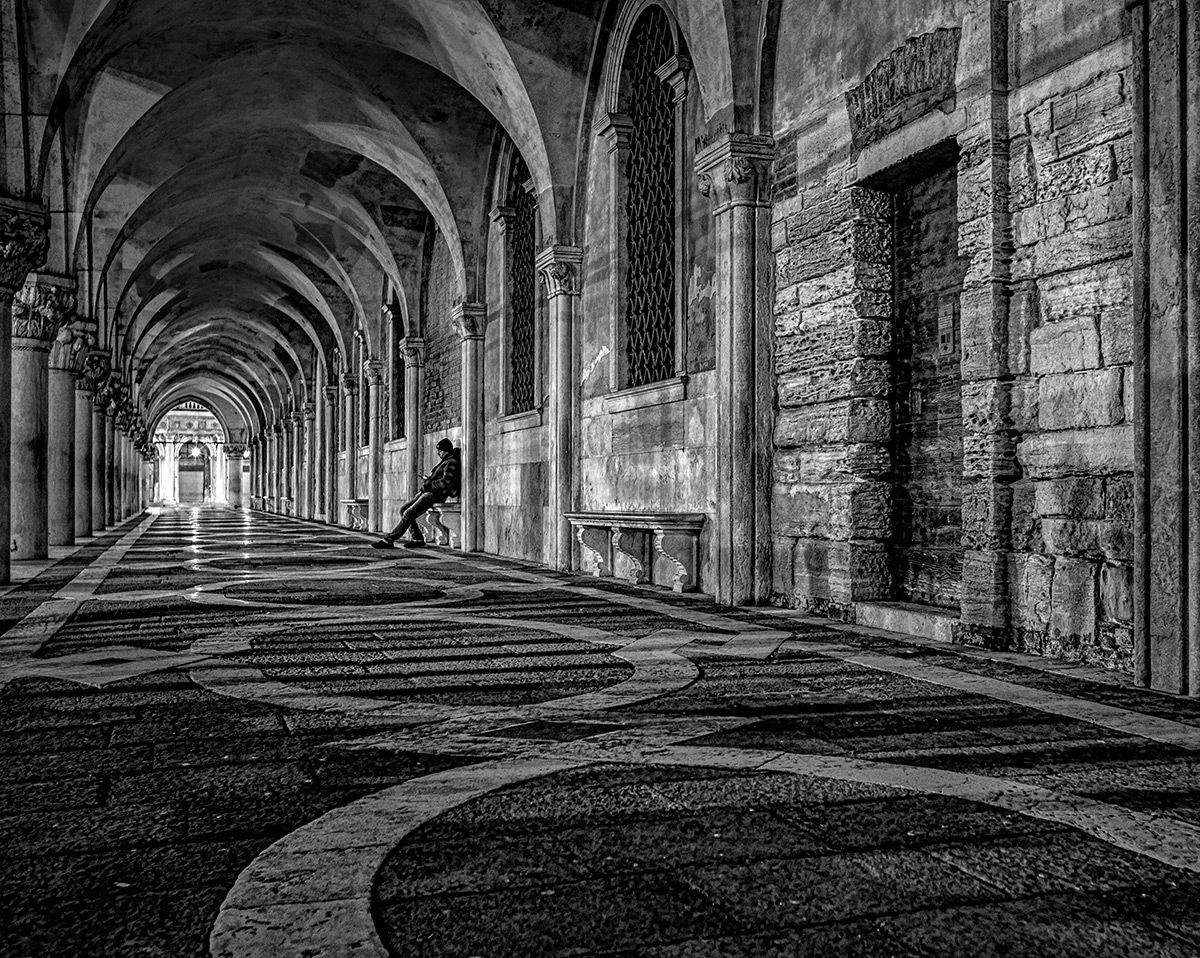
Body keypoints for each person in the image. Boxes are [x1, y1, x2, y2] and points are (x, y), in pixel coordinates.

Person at [373, 438, 461, 549]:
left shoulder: (451, 462)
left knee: (409, 513)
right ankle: (417, 538)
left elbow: (446, 482)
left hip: (434, 495)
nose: (438, 453)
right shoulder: (445, 461)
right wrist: (428, 481)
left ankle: (389, 539)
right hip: (428, 492)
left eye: (440, 451)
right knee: (403, 510)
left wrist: (429, 483)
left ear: (446, 450)